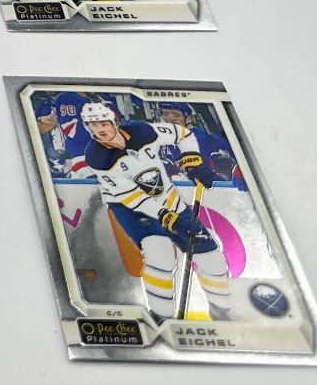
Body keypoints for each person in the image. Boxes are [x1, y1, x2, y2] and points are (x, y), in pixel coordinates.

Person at [79, 99, 234, 322]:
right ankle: (161, 316)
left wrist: (193, 160)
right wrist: (166, 216)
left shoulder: (142, 131)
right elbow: (132, 196)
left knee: (209, 253)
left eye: (103, 123)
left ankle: (222, 310)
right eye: (93, 125)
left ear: (115, 121)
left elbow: (183, 135)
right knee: (160, 253)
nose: (100, 130)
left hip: (168, 198)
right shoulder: (98, 157)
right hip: (131, 208)